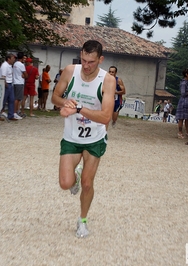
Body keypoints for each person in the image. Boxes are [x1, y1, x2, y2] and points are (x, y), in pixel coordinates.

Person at [51, 40, 116, 238]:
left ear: (101, 60)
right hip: (71, 136)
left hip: (95, 137)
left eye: (92, 62)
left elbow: (105, 116)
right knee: (65, 183)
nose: (86, 66)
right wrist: (65, 102)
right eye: (83, 60)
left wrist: (79, 109)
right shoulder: (70, 71)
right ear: (80, 55)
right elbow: (54, 98)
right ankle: (75, 175)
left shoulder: (108, 80)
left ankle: (83, 220)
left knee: (88, 183)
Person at [0, 53, 18, 121]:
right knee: (3, 100)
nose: (14, 60)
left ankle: (11, 115)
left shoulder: (9, 66)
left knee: (11, 99)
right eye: (13, 58)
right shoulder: (5, 66)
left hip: (10, 83)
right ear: (8, 59)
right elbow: (3, 76)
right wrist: (5, 83)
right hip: (6, 84)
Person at [175, 68, 188, 139]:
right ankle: (180, 132)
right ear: (186, 74)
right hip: (183, 102)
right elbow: (183, 93)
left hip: (187, 101)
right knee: (181, 118)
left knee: (187, 118)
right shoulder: (184, 83)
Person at [13, 52, 28, 117]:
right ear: (22, 58)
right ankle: (15, 112)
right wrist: (25, 76)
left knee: (16, 98)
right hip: (19, 82)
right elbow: (26, 75)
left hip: (15, 82)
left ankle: (16, 111)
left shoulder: (15, 64)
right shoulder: (21, 65)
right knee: (18, 99)